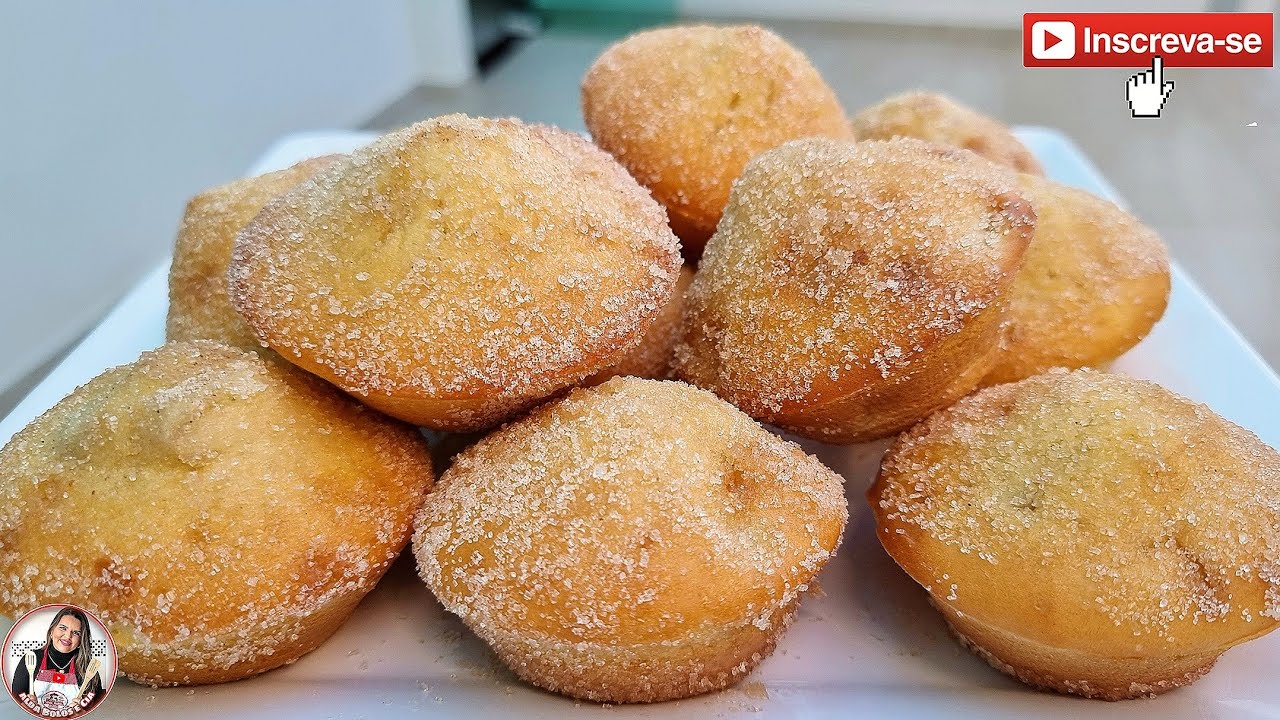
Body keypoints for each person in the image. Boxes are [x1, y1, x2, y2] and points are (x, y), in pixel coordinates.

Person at [9, 607, 104, 714]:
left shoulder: (88, 667)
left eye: (76, 633)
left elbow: (97, 708)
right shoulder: (31, 659)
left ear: (81, 640)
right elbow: (15, 701)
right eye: (63, 628)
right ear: (52, 630)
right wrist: (26, 706)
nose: (68, 636)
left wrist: (83, 710)